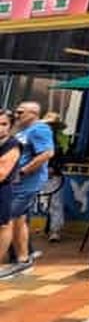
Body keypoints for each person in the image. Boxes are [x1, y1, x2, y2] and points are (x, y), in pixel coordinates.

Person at [8, 102, 54, 272]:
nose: (17, 114)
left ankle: (22, 258)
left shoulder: (39, 129)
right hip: (15, 183)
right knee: (20, 218)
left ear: (33, 113)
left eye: (20, 112)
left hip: (27, 183)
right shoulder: (23, 131)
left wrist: (23, 171)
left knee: (10, 217)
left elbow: (47, 153)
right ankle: (23, 254)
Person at [0, 110, 22, 266]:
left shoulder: (12, 145)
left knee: (2, 226)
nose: (0, 127)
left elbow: (1, 173)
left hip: (2, 190)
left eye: (4, 124)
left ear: (10, 126)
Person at [42, 112, 68, 242]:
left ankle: (55, 231)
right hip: (37, 174)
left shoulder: (61, 140)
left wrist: (54, 168)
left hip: (53, 176)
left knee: (56, 203)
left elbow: (63, 157)